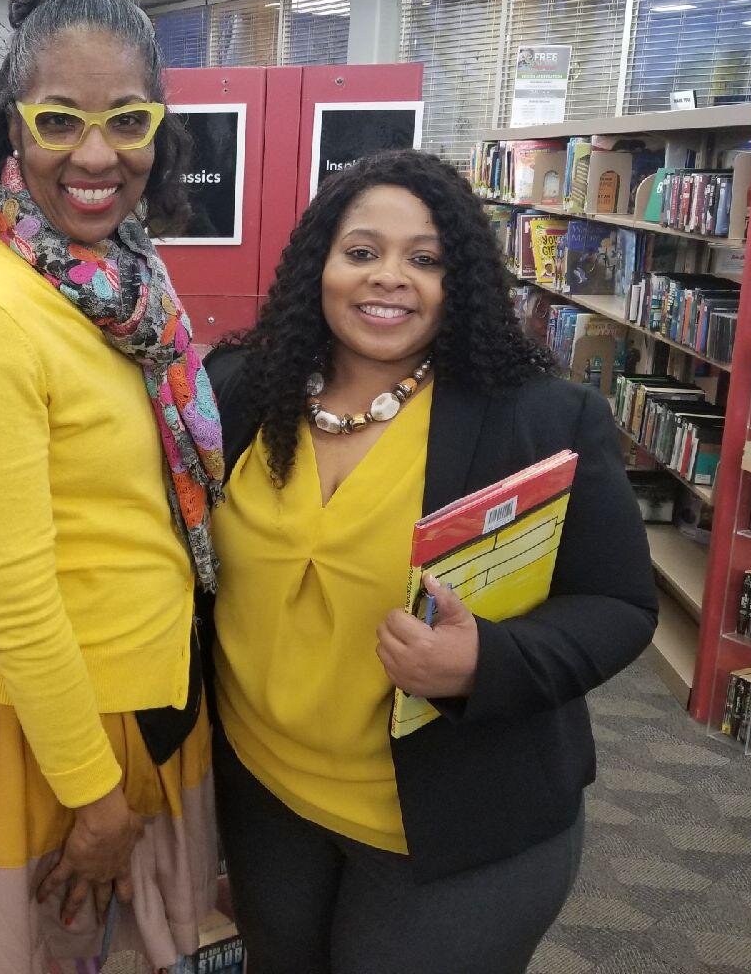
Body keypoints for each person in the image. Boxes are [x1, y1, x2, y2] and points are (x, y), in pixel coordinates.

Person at [206, 149, 658, 974]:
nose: (389, 279)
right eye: (362, 252)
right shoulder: (243, 389)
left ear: (464, 282)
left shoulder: (540, 421)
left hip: (455, 826)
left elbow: (621, 603)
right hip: (266, 798)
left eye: (425, 260)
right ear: (321, 266)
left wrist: (488, 660)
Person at [0, 0, 224, 974]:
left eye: (127, 120)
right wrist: (92, 795)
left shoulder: (127, 280)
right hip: (40, 730)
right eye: (58, 121)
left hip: (144, 694)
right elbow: (11, 589)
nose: (96, 154)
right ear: (13, 125)